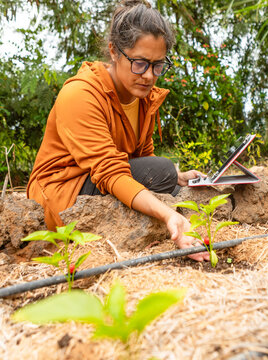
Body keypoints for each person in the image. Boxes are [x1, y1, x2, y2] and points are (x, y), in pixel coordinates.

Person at [27, 0, 209, 262]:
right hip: (62, 196)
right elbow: (110, 170)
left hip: (103, 179)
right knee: (162, 172)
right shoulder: (80, 94)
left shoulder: (144, 98)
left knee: (167, 174)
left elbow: (141, 158)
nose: (148, 76)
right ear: (114, 51)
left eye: (158, 65)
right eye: (140, 63)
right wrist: (169, 215)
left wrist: (177, 177)